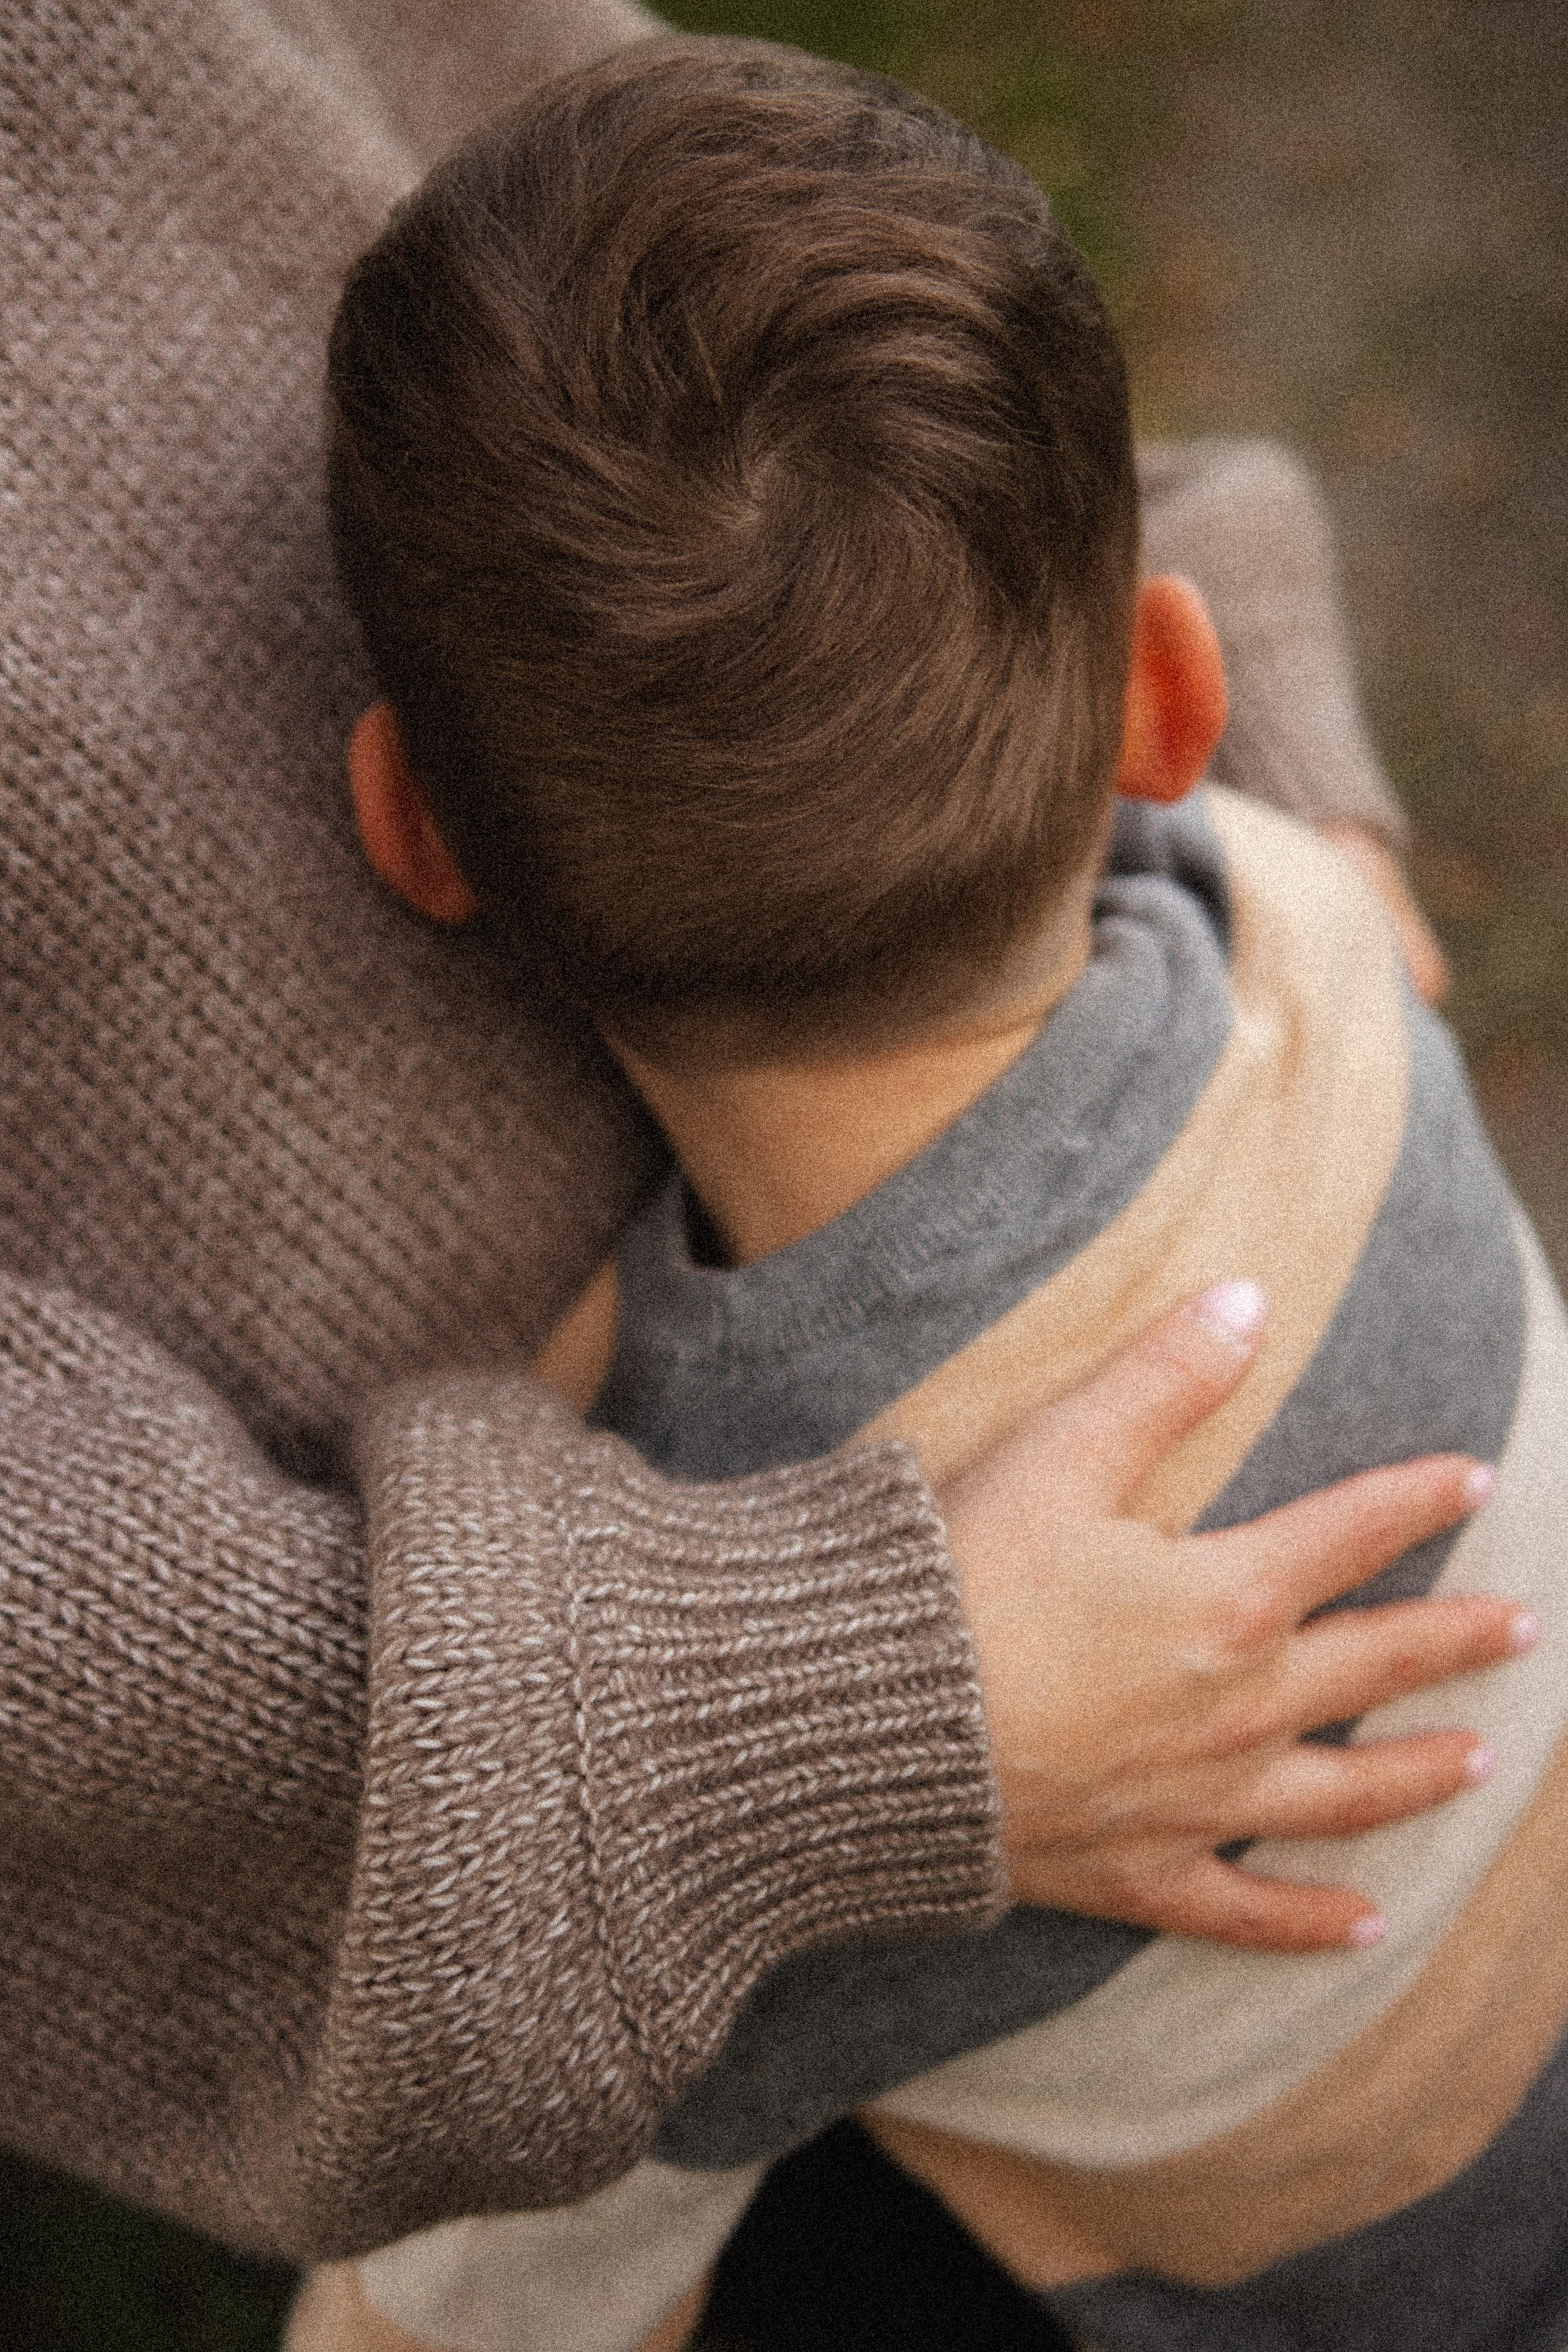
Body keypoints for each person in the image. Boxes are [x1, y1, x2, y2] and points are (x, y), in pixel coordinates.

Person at [0, 0, 1521, 2310]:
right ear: (1177, 699)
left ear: (415, 834)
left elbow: (499, 2272)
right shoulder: (1309, 922)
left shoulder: (794, 1712)